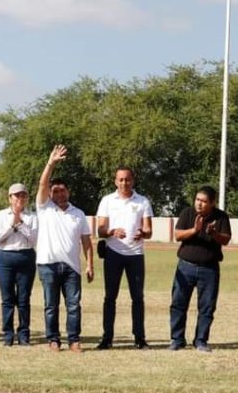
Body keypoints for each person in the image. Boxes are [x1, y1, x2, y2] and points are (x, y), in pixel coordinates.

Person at [36, 145, 93, 352]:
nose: (59, 193)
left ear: (68, 192)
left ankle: (74, 340)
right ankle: (53, 340)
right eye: (55, 190)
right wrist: (51, 163)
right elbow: (42, 184)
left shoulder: (78, 213)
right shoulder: (45, 208)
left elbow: (86, 241)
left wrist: (90, 265)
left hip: (72, 267)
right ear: (50, 193)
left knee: (73, 306)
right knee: (51, 306)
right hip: (48, 265)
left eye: (63, 190)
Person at [95, 166, 153, 349]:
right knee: (110, 297)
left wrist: (142, 233)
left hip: (135, 255)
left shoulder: (142, 201)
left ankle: (139, 338)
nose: (124, 183)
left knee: (137, 297)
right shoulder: (107, 201)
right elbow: (100, 230)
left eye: (127, 179)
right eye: (120, 179)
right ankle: (107, 338)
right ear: (115, 181)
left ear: (133, 181)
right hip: (113, 253)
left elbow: (149, 230)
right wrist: (112, 231)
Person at [169, 185, 231, 353]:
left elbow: (225, 240)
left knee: (207, 307)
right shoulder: (187, 213)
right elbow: (177, 235)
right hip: (185, 266)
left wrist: (214, 234)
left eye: (204, 201)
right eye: (197, 200)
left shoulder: (221, 217)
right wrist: (195, 230)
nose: (199, 204)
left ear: (212, 203)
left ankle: (201, 340)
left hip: (209, 269)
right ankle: (177, 339)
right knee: (178, 304)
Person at [0, 183, 38, 346]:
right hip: (5, 257)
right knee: (7, 298)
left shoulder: (32, 216)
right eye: (16, 195)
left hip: (25, 256)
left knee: (24, 299)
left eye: (23, 195)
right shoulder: (1, 215)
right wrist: (12, 225)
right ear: (10, 198)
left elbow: (34, 239)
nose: (20, 198)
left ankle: (24, 334)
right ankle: (8, 334)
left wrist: (21, 224)